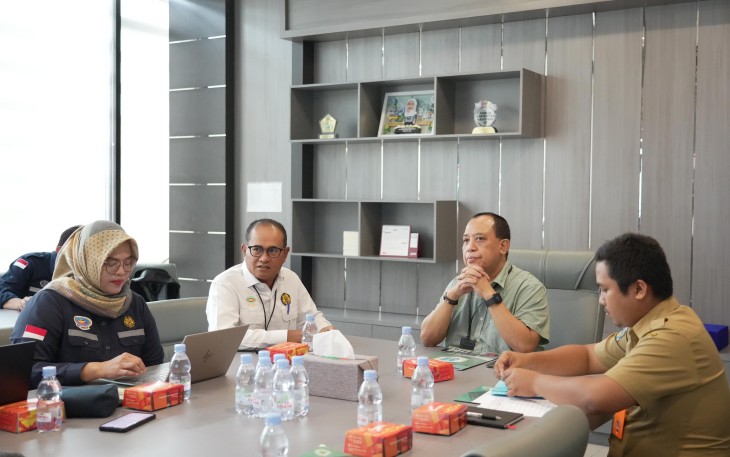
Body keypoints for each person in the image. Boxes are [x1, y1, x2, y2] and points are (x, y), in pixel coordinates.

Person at [494, 233, 730, 456]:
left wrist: (534, 382)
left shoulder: (671, 336)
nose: (601, 300)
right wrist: (527, 360)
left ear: (639, 289)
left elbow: (594, 397)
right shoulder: (647, 324)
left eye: (606, 290)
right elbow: (588, 356)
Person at [12, 221, 164, 387]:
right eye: (110, 262)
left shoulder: (135, 303)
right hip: (68, 402)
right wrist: (94, 370)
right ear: (87, 261)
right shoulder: (49, 302)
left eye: (128, 262)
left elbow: (154, 365)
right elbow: (25, 371)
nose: (121, 271)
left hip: (130, 399)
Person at [420, 212, 549, 353]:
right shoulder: (457, 283)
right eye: (466, 240)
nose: (470, 247)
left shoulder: (530, 287)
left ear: (503, 246)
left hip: (502, 366)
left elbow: (525, 346)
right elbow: (427, 339)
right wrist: (452, 296)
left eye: (480, 239)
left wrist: (489, 294)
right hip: (457, 365)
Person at [206, 218, 335, 348]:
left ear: (285, 254)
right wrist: (286, 336)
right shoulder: (225, 284)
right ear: (244, 250)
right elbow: (223, 337)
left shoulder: (291, 279)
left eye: (273, 250)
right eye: (257, 249)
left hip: (288, 358)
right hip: (242, 359)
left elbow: (312, 318)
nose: (264, 258)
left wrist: (325, 329)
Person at [0, 225, 81, 311]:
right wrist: (22, 303)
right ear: (60, 250)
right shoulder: (30, 263)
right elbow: (2, 290)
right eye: (77, 252)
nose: (83, 259)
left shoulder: (86, 275)